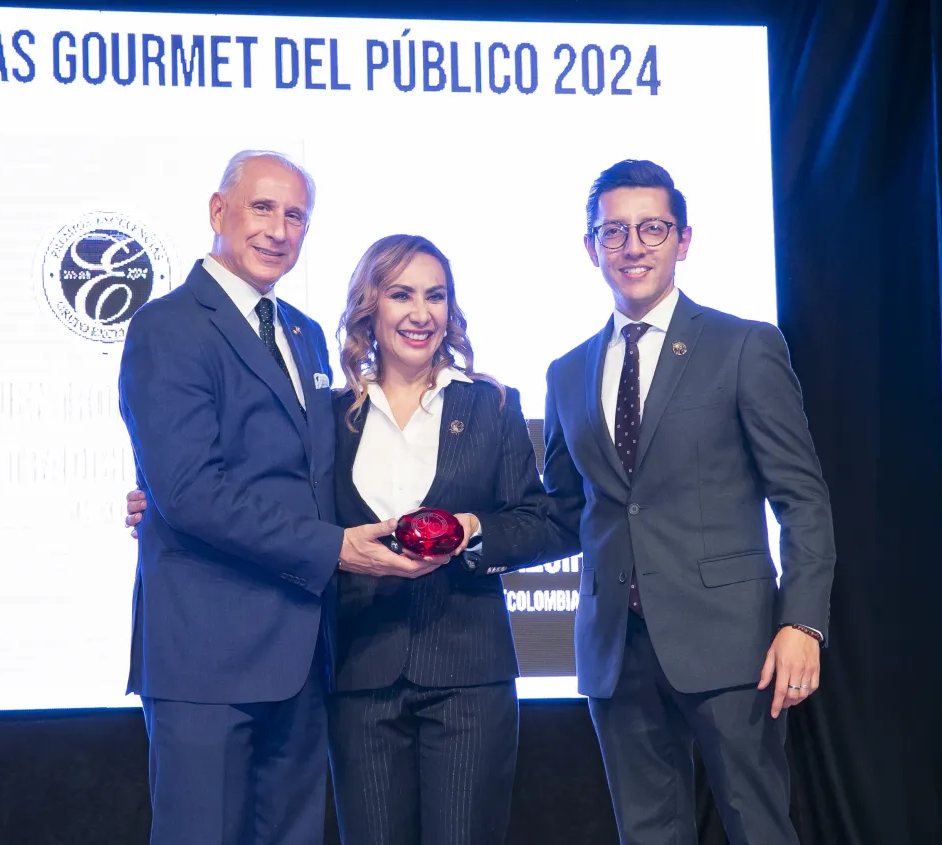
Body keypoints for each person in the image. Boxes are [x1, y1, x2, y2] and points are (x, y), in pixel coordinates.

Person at [127, 233, 548, 845]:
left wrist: (472, 532)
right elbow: (262, 486)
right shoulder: (328, 414)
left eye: (435, 296)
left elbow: (537, 521)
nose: (420, 312)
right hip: (357, 673)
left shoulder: (492, 406)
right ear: (369, 307)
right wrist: (157, 503)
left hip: (468, 672)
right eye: (401, 294)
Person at [118, 150, 437, 845]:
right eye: (262, 207)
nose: (279, 229)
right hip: (207, 656)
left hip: (301, 653)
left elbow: (315, 474)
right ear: (218, 211)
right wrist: (333, 547)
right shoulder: (168, 326)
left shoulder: (302, 331)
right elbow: (189, 489)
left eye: (296, 215)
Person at [541, 159, 837, 845]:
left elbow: (802, 497)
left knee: (758, 826)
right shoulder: (566, 372)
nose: (633, 246)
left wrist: (803, 622)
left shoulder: (744, 345)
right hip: (615, 647)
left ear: (684, 240)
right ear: (590, 247)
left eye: (652, 228)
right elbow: (563, 511)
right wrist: (472, 531)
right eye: (614, 231)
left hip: (734, 644)